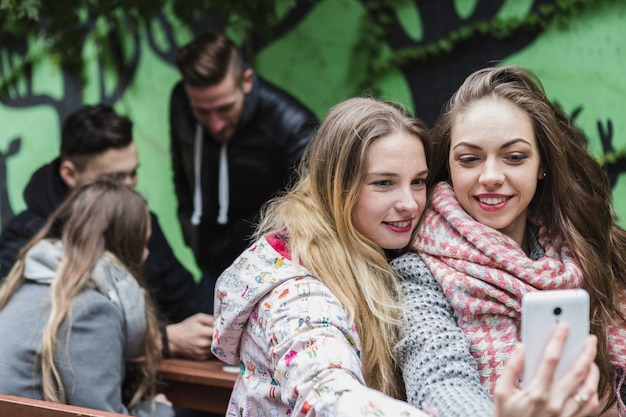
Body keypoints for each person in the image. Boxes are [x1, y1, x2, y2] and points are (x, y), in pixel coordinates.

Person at [210, 96, 599, 417]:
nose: (409, 204)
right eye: (384, 183)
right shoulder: (298, 289)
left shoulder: (376, 257)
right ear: (335, 187)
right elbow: (330, 396)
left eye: (417, 182)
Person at [394, 65, 624, 416]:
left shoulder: (589, 248)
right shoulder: (417, 271)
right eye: (469, 159)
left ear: (542, 165)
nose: (490, 177)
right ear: (449, 166)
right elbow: (438, 378)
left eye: (514, 157)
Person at [0, 104, 214, 361]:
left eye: (133, 173)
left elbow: (184, 296)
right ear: (70, 173)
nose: (128, 187)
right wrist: (162, 340)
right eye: (114, 179)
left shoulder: (142, 221)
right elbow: (41, 331)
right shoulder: (28, 236)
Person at [0, 179, 173, 416]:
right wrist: (159, 410)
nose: (147, 254)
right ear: (126, 248)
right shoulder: (91, 310)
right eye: (143, 244)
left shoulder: (24, 286)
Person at [169, 30, 318, 297]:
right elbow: (182, 173)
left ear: (247, 81)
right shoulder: (181, 101)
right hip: (210, 266)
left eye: (225, 108)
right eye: (202, 111)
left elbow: (316, 209)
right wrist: (190, 230)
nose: (215, 123)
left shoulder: (291, 125)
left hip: (271, 279)